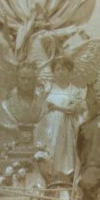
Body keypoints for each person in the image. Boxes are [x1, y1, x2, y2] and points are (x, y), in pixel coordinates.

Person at [34, 56, 85, 184]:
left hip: (67, 128)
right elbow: (38, 107)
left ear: (70, 72)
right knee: (48, 153)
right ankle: (49, 181)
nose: (60, 72)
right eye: (57, 69)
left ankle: (66, 181)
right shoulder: (48, 89)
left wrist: (56, 107)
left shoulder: (75, 91)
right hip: (48, 127)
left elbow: (74, 109)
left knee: (66, 156)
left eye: (64, 69)